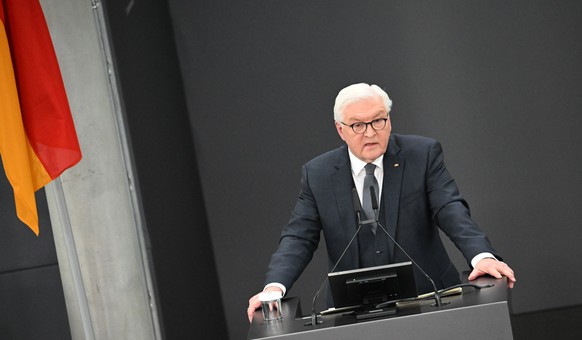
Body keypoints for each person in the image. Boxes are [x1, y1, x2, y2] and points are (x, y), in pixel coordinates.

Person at [247, 83, 516, 322]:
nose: (370, 133)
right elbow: (298, 236)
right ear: (340, 130)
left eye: (378, 121)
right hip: (353, 310)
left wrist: (480, 255)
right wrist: (274, 287)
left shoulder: (422, 155)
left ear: (389, 120)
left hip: (431, 297)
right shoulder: (318, 174)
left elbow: (450, 208)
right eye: (357, 125)